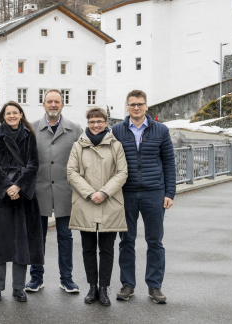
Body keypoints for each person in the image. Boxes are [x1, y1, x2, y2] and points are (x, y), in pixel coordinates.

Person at [112, 90, 175, 304]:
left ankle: (155, 286)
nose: (136, 108)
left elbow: (168, 163)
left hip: (154, 193)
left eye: (140, 104)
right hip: (126, 193)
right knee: (126, 241)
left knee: (154, 241)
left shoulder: (161, 130)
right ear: (127, 107)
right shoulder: (117, 130)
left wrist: (169, 192)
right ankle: (127, 285)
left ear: (146, 106)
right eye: (132, 104)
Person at [66, 108, 128, 307]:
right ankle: (92, 287)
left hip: (109, 202)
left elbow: (122, 173)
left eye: (99, 121)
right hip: (85, 203)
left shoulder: (116, 146)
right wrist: (90, 193)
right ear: (88, 123)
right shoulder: (78, 146)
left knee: (107, 249)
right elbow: (72, 172)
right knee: (88, 248)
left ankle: (104, 289)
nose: (96, 125)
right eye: (92, 121)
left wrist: (104, 192)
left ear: (106, 122)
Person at [0, 101, 42, 303]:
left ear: (20, 115)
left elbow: (34, 165)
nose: (11, 116)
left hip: (24, 197)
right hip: (1, 198)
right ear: (3, 116)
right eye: (8, 113)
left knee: (22, 244)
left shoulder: (29, 137)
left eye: (14, 113)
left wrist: (19, 186)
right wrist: (7, 188)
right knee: (0, 244)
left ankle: (19, 287)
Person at [28, 89, 83, 293]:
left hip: (65, 191)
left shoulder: (75, 129)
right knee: (37, 237)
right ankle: (36, 278)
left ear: (62, 105)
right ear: (44, 105)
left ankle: (66, 279)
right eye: (49, 101)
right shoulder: (32, 128)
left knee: (65, 237)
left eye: (57, 101)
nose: (53, 104)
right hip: (39, 191)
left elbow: (84, 159)